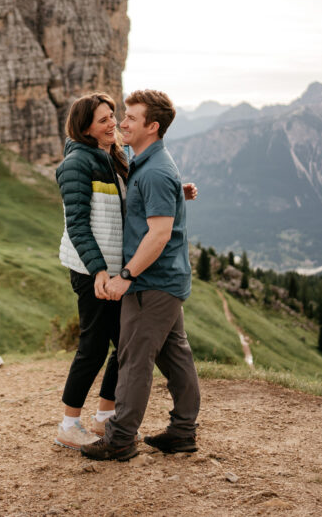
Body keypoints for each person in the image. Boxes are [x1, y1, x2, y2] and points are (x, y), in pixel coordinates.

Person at [81, 89, 202, 462]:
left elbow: (159, 234)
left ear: (153, 126)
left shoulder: (155, 171)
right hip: (166, 281)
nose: (122, 122)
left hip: (152, 283)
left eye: (131, 117)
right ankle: (182, 432)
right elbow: (156, 207)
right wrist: (176, 193)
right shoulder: (146, 164)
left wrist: (127, 276)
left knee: (133, 358)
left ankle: (120, 439)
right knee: (175, 356)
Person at [53, 92, 129, 450]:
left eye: (113, 115)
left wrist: (177, 192)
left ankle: (104, 417)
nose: (112, 122)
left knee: (125, 342)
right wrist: (98, 270)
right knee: (94, 346)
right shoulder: (77, 164)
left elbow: (131, 201)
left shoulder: (114, 157)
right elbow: (78, 225)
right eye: (103, 119)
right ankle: (69, 424)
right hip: (91, 270)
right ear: (85, 128)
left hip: (115, 270)